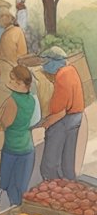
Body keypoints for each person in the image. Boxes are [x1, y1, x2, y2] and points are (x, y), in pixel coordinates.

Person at [0, 65, 40, 207]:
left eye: (16, 81)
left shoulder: (12, 100)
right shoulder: (31, 100)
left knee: (5, 184)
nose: (12, 83)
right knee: (20, 187)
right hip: (27, 146)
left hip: (11, 147)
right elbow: (33, 121)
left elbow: (5, 123)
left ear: (24, 84)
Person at [40, 46, 85, 182]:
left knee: (50, 164)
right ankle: (69, 185)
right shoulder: (71, 70)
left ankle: (52, 184)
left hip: (64, 119)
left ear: (52, 63)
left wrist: (46, 124)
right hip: (77, 117)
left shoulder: (62, 76)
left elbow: (60, 111)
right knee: (67, 160)